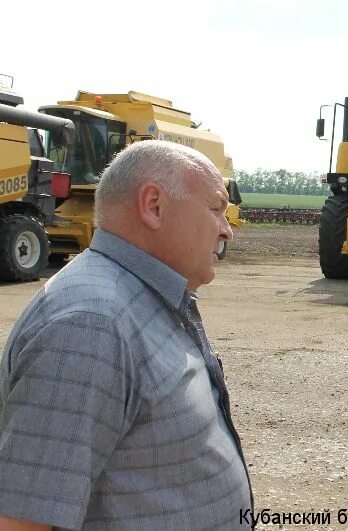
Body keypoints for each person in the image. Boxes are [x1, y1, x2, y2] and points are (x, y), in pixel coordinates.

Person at [0, 140, 252, 530]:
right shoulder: (90, 325)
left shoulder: (140, 297)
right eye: (216, 209)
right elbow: (22, 522)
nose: (226, 231)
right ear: (154, 205)